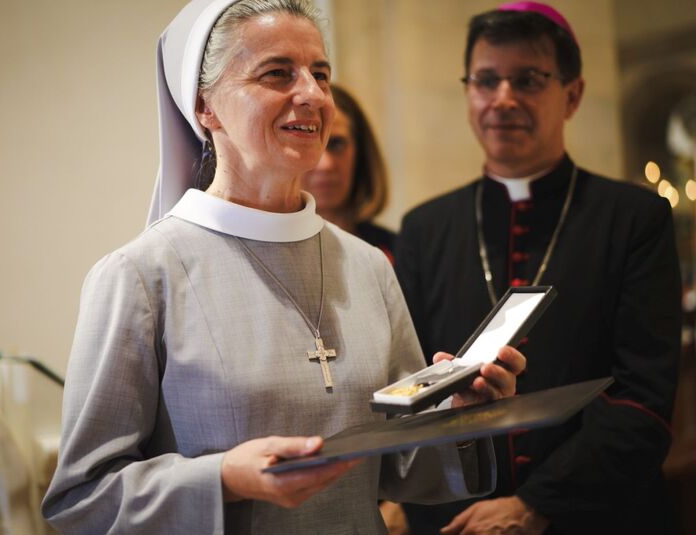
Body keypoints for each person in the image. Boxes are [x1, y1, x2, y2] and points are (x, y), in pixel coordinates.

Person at [40, 1, 526, 534]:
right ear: (205, 106)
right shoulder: (140, 276)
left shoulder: (368, 267)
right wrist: (223, 478)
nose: (314, 95)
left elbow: (401, 469)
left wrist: (461, 415)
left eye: (321, 74)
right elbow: (81, 499)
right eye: (278, 73)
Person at [396, 2, 681, 534]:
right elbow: (410, 385)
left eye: (527, 80)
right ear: (468, 93)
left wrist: (536, 506)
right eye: (486, 80)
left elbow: (642, 400)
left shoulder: (634, 218)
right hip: (460, 519)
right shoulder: (424, 229)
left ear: (571, 95)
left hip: (601, 515)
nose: (503, 99)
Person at [302, 84, 396, 262]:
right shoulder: (264, 251)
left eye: (337, 144)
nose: (326, 165)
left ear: (361, 152)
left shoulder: (395, 252)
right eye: (310, 144)